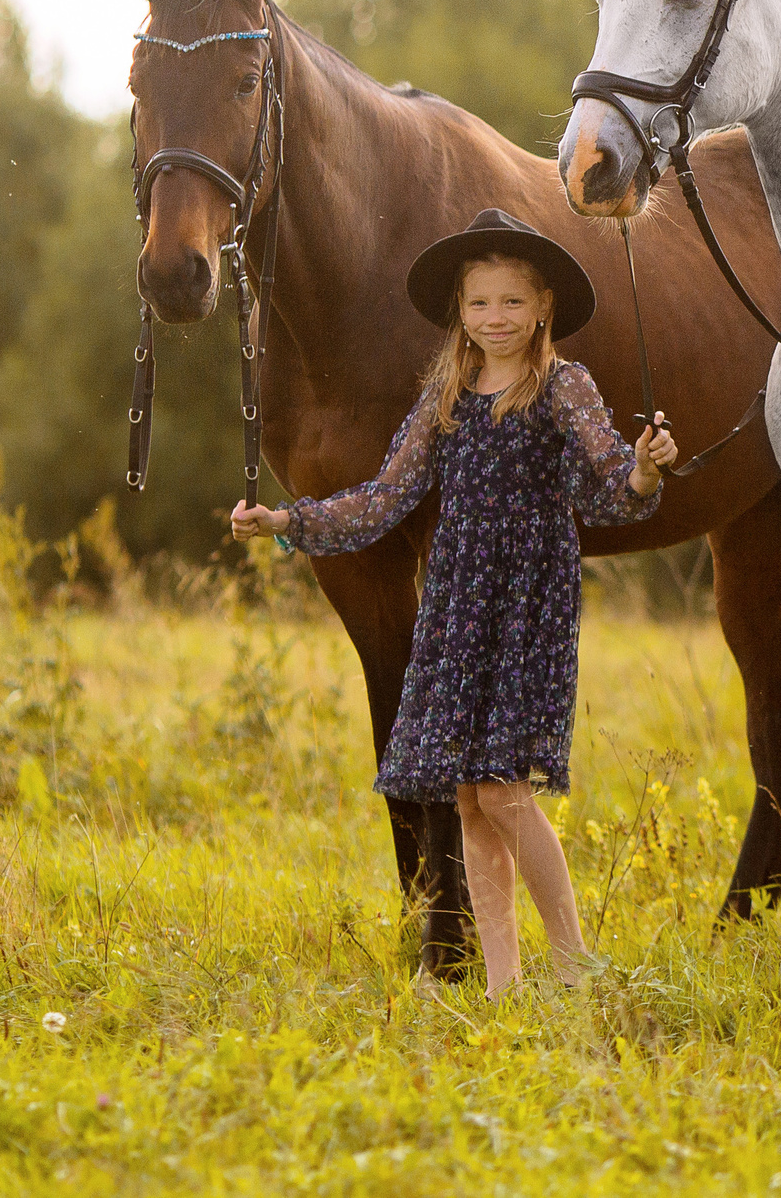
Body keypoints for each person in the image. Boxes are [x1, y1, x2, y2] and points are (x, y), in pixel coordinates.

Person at [230, 207, 677, 993]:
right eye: (478, 303)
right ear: (459, 313)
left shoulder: (564, 385)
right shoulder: (448, 390)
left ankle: (573, 960)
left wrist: (643, 470)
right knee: (469, 797)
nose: (493, 318)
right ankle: (501, 984)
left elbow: (610, 489)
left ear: (542, 305)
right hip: (455, 608)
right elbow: (384, 495)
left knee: (504, 792)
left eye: (510, 301)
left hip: (526, 609)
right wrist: (290, 519)